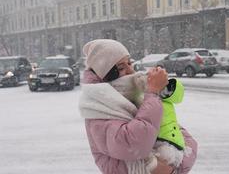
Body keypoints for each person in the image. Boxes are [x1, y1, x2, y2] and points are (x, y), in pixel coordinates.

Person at [78, 39, 197, 174]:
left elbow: (183, 139)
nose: (130, 70)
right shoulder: (98, 106)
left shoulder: (136, 94)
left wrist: (175, 166)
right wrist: (152, 93)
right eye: (122, 67)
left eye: (130, 63)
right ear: (105, 74)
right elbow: (134, 144)